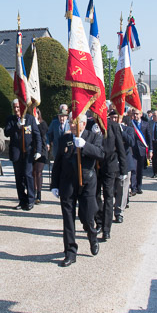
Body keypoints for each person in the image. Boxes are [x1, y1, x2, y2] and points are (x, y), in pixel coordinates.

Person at [50, 113, 104, 267]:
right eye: (71, 123)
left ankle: (92, 236)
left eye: (75, 123)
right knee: (68, 219)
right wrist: (54, 184)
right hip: (67, 183)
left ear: (84, 123)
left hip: (87, 182)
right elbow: (58, 163)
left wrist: (85, 146)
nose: (71, 125)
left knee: (87, 217)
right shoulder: (64, 139)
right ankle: (70, 252)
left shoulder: (93, 137)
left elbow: (101, 154)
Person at [96, 108, 127, 241]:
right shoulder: (92, 126)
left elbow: (120, 146)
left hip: (110, 165)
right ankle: (99, 223)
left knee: (108, 196)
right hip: (95, 166)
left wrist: (123, 170)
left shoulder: (113, 126)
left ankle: (106, 229)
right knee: (95, 196)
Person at [4, 99, 41, 210]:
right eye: (14, 107)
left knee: (28, 174)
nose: (16, 109)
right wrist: (17, 126)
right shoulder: (10, 119)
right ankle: (22, 200)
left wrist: (38, 151)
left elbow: (37, 135)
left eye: (18, 107)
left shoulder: (30, 118)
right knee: (18, 178)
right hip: (16, 153)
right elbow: (6, 132)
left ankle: (31, 199)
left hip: (28, 152)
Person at [113, 109, 134, 223]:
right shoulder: (108, 130)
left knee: (122, 189)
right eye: (112, 118)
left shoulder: (128, 129)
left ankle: (119, 212)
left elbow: (131, 142)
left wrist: (122, 131)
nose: (114, 120)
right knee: (111, 190)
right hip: (111, 163)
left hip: (125, 163)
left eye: (117, 118)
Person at [128, 108, 151, 195]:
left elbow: (149, 137)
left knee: (140, 169)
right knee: (133, 169)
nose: (135, 116)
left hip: (142, 150)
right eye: (134, 114)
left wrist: (150, 150)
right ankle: (133, 188)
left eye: (137, 114)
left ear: (141, 114)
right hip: (132, 150)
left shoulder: (145, 124)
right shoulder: (130, 124)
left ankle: (139, 187)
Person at [32, 108, 49, 203]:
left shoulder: (43, 124)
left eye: (36, 114)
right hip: (33, 150)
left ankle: (39, 194)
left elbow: (42, 133)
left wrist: (36, 124)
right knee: (33, 172)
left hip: (42, 150)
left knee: (38, 172)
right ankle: (33, 192)